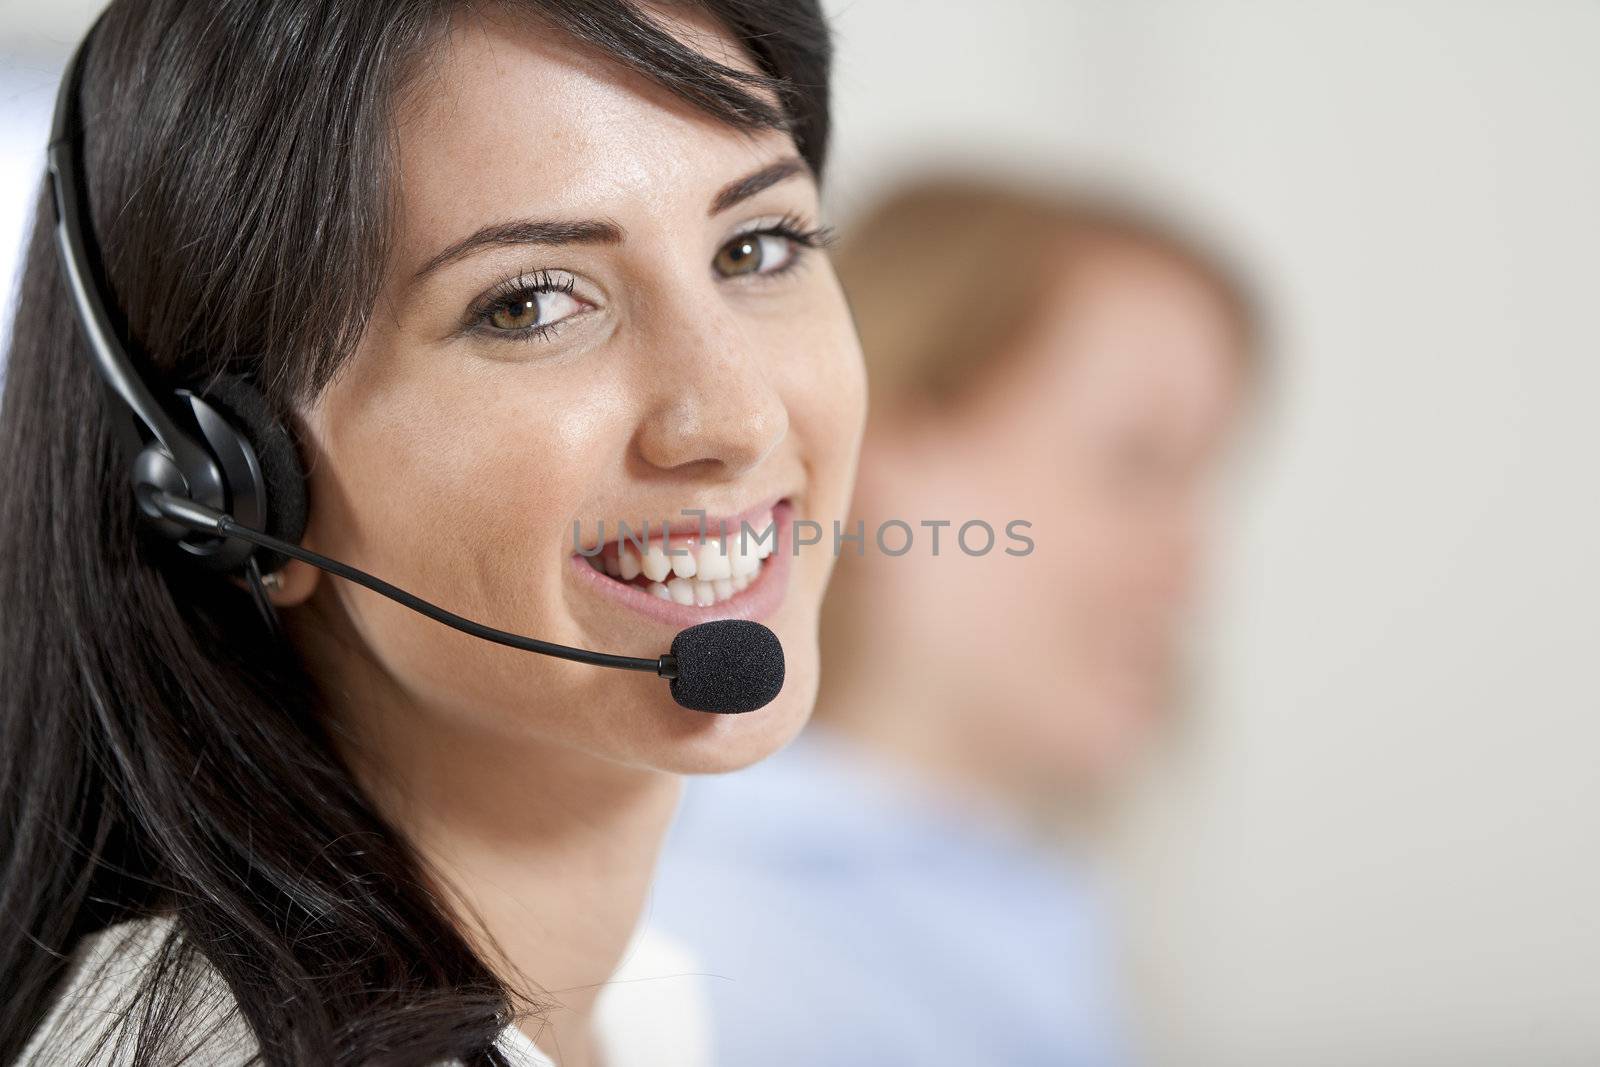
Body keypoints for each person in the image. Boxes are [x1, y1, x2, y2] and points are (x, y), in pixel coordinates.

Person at [0, 2, 865, 1065]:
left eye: (757, 244)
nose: (737, 418)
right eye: (529, 304)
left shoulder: (646, 1001)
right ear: (230, 485)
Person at [647, 177, 1259, 1065]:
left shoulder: (1031, 900)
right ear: (889, 447)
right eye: (1138, 463)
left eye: (1204, 476)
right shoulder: (702, 953)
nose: (1191, 567)